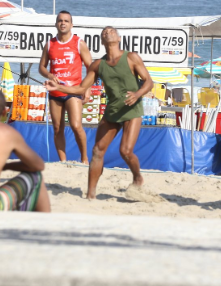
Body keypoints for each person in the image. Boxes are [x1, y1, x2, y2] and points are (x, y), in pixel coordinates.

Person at [44, 26, 153, 199]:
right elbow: (80, 88)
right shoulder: (97, 65)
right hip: (113, 111)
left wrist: (138, 94)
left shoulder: (131, 57)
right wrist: (58, 87)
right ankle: (91, 194)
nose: (107, 32)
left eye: (111, 31)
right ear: (102, 41)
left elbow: (149, 82)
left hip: (132, 109)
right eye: (104, 32)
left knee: (125, 151)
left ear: (118, 38)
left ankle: (137, 177)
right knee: (96, 151)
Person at [39, 11, 92, 164]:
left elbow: (90, 67)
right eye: (60, 21)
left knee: (76, 125)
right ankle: (63, 162)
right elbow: (41, 67)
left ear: (71, 24)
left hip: (73, 91)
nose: (63, 23)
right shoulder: (50, 44)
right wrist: (49, 75)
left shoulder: (78, 43)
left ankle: (84, 159)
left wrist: (86, 88)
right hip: (55, 92)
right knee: (57, 128)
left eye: (66, 21)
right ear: (56, 24)